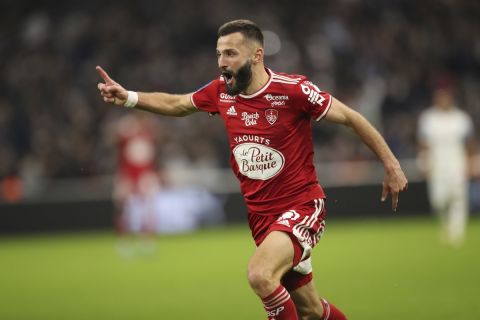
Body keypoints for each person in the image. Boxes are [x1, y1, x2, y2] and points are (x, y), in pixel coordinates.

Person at [96, 19, 408, 320]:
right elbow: (178, 104)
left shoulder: (293, 91)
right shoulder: (220, 92)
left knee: (260, 274)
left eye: (230, 53)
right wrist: (129, 99)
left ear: (257, 55)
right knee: (311, 311)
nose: (222, 61)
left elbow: (352, 118)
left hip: (301, 206)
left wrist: (391, 164)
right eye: (219, 53)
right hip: (262, 219)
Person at [417, 86, 477, 247]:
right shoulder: (428, 118)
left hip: (457, 165)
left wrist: (472, 164)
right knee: (439, 201)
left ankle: (456, 233)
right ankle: (445, 226)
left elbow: (470, 144)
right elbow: (423, 144)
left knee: (458, 198)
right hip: (437, 166)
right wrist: (424, 163)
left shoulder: (462, 119)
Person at [113, 111, 160, 257]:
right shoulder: (127, 133)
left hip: (144, 177)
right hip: (128, 176)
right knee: (125, 211)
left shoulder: (148, 134)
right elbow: (117, 144)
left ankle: (146, 241)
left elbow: (149, 158)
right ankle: (123, 242)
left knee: (146, 210)